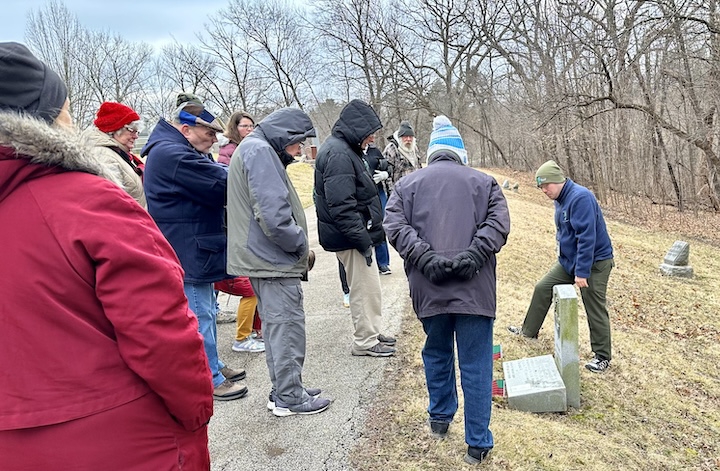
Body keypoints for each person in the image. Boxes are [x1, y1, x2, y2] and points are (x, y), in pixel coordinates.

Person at [0, 42, 213, 470]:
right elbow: (158, 328)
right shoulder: (84, 199)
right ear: (45, 117)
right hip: (117, 440)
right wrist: (196, 411)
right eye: (66, 108)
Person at [384, 115, 510, 465]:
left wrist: (424, 257)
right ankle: (477, 443)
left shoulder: (407, 185)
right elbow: (498, 225)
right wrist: (475, 253)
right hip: (475, 291)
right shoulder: (485, 184)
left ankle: (440, 418)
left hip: (430, 289)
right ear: (460, 153)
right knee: (476, 363)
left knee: (437, 353)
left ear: (433, 152)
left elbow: (393, 224)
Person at [142, 93, 248, 401]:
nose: (214, 140)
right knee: (199, 314)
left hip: (195, 246)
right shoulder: (172, 154)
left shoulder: (177, 149)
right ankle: (209, 376)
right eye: (209, 133)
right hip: (187, 248)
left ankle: (213, 363)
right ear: (186, 129)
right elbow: (222, 184)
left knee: (207, 311)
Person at [226, 107, 330, 417]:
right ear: (284, 136)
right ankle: (290, 397)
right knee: (286, 328)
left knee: (276, 328)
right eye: (297, 143)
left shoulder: (254, 148)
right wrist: (299, 244)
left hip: (265, 259)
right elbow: (273, 215)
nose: (299, 151)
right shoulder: (259, 151)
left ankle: (285, 388)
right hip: (272, 260)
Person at [508, 160, 615, 373]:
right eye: (541, 187)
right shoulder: (560, 198)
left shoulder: (580, 197)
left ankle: (602, 356)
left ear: (558, 180)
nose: (544, 190)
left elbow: (587, 237)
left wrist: (582, 272)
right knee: (543, 288)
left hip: (594, 263)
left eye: (546, 185)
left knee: (593, 306)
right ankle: (529, 331)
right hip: (569, 262)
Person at [314, 99, 396, 357]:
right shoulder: (338, 154)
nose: (372, 138)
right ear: (356, 129)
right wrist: (362, 240)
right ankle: (365, 341)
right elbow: (342, 206)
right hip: (351, 238)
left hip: (357, 234)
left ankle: (371, 330)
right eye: (369, 132)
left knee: (370, 288)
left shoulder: (346, 149)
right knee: (363, 288)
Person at [83, 101, 147, 207]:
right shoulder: (104, 156)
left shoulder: (120, 154)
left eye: (137, 131)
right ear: (114, 130)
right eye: (131, 130)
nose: (136, 136)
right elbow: (110, 204)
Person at [365, 143, 392, 274]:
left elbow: (388, 167)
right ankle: (367, 262)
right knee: (364, 226)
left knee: (380, 225)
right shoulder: (352, 150)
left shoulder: (375, 151)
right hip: (362, 193)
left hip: (378, 192)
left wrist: (385, 174)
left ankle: (383, 263)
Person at [383, 120, 422, 194]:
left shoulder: (414, 148)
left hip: (415, 191)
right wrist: (393, 195)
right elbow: (388, 176)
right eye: (405, 137)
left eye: (410, 137)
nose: (408, 139)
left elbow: (419, 168)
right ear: (400, 137)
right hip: (400, 192)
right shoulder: (391, 149)